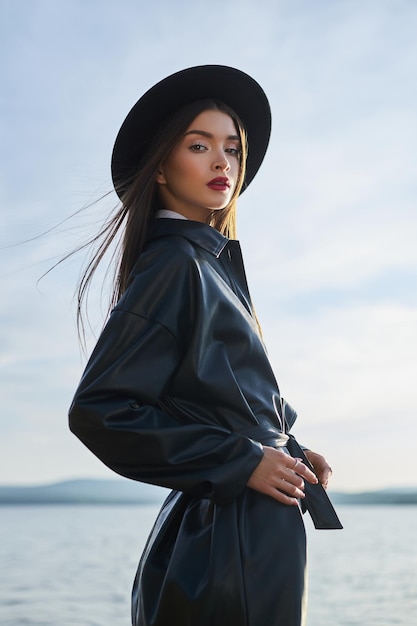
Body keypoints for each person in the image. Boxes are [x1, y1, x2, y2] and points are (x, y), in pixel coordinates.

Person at [69, 65, 340, 626]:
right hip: (227, 536)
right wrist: (244, 459)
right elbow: (100, 412)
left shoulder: (210, 266)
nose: (223, 163)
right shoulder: (175, 264)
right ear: (162, 167)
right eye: (199, 145)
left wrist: (287, 447)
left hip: (247, 529)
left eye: (232, 149)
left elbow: (220, 395)